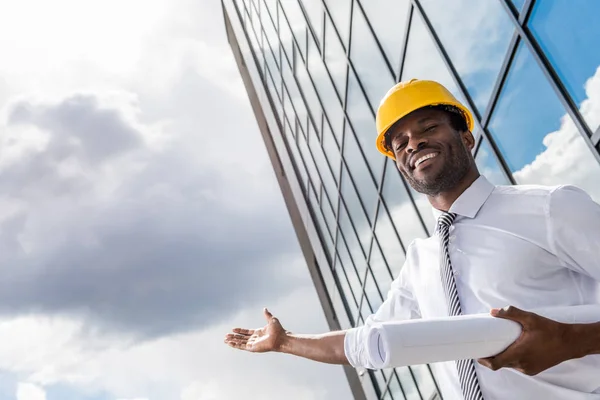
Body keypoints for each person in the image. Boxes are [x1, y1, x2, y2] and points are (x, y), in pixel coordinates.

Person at [224, 79, 600, 399]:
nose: (413, 143)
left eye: (428, 128)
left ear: (465, 137)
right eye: (399, 141)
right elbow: (366, 344)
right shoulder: (420, 263)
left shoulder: (551, 208)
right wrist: (285, 341)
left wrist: (572, 340)